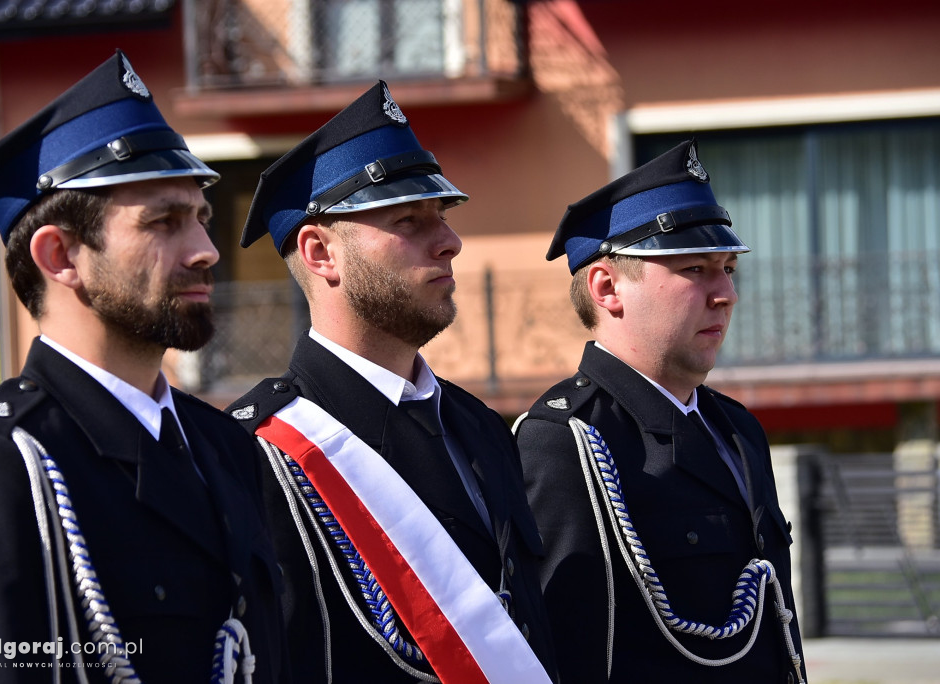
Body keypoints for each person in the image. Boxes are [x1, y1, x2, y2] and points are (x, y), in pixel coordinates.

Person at [0, 51, 287, 683]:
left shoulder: (224, 445)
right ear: (60, 255)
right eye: (164, 222)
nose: (206, 250)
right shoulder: (1, 463)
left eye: (199, 218)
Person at [225, 81, 558, 684]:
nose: (450, 243)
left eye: (443, 217)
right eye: (410, 220)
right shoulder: (257, 452)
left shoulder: (479, 424)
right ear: (321, 252)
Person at [515, 140, 806, 684]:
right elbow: (568, 652)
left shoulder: (736, 426)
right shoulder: (566, 440)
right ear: (608, 288)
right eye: (696, 269)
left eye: (728, 269)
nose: (725, 294)